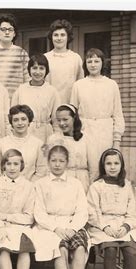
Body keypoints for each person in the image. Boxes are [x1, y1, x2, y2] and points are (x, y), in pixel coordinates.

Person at [33, 145, 89, 269]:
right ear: (48, 162)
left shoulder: (76, 184)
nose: (57, 164)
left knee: (79, 248)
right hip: (49, 227)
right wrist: (56, 228)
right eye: (53, 160)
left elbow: (82, 210)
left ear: (67, 162)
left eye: (61, 161)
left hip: (72, 224)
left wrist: (73, 228)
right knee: (61, 249)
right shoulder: (41, 184)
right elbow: (39, 212)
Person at [87, 148, 136, 269]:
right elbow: (92, 212)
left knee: (131, 252)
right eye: (108, 163)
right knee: (110, 250)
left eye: (116, 163)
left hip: (123, 225)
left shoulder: (128, 186)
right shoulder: (96, 186)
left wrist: (126, 226)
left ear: (121, 165)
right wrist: (105, 226)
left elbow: (132, 212)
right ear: (103, 166)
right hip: (103, 226)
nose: (112, 167)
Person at [70, 48, 125, 182]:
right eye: (89, 61)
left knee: (105, 166)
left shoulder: (111, 85)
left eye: (96, 61)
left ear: (102, 63)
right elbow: (73, 113)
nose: (93, 64)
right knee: (86, 169)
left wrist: (116, 141)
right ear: (85, 64)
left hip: (105, 131)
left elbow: (117, 113)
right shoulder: (78, 85)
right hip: (85, 130)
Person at [11, 55, 60, 142]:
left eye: (41, 68)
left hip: (46, 134)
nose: (37, 72)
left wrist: (57, 138)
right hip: (25, 132)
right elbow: (12, 115)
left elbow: (56, 120)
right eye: (34, 68)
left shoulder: (52, 91)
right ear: (29, 70)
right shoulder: (21, 90)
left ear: (46, 70)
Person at [0, 13, 29, 98]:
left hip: (16, 101)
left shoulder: (22, 53)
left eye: (10, 29)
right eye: (3, 29)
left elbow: (27, 80)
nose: (7, 32)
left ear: (14, 33)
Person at [46, 104, 89, 192]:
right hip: (60, 180)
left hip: (82, 181)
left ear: (74, 118)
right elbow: (46, 164)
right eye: (59, 120)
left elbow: (94, 168)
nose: (62, 123)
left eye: (65, 119)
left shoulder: (86, 138)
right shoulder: (53, 139)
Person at [0, 105, 47, 181]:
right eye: (16, 120)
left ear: (29, 121)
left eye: (23, 119)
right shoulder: (1, 143)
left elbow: (41, 171)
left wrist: (28, 187)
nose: (20, 123)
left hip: (30, 187)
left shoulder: (38, 144)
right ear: (11, 123)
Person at [44, 19, 84, 104]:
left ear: (68, 37)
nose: (59, 38)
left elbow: (81, 85)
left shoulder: (75, 58)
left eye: (62, 35)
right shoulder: (45, 58)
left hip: (70, 106)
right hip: (48, 104)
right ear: (51, 37)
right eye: (56, 35)